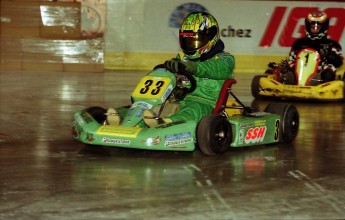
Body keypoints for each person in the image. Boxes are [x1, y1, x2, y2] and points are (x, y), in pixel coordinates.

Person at [107, 12, 235, 127]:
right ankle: (121, 118)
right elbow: (176, 77)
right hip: (180, 101)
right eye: (187, 40)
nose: (191, 45)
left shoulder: (225, 59)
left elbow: (213, 69)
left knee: (192, 111)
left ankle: (167, 124)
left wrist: (193, 67)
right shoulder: (182, 57)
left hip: (206, 104)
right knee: (153, 107)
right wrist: (176, 87)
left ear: (211, 37)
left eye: (195, 40)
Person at [287, 10, 343, 83]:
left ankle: (323, 85)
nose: (314, 29)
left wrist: (332, 57)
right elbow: (291, 59)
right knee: (285, 72)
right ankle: (293, 82)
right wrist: (294, 67)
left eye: (317, 27)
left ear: (323, 28)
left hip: (319, 72)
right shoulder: (299, 43)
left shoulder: (331, 44)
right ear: (308, 26)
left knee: (329, 71)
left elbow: (339, 62)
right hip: (299, 71)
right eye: (312, 27)